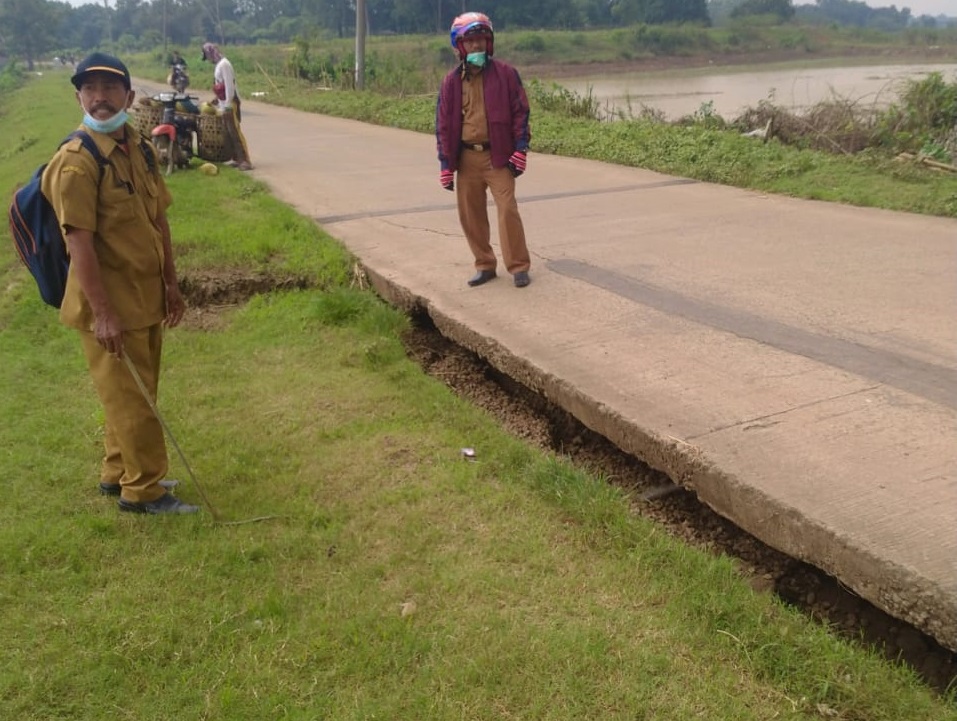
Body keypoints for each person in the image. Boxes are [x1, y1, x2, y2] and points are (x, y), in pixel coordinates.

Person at [41, 52, 196, 515]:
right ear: (79, 97)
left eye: (110, 89)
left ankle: (117, 472)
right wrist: (104, 314)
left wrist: (172, 283)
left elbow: (158, 220)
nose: (100, 98)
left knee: (130, 391)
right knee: (135, 400)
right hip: (108, 305)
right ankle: (143, 491)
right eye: (91, 89)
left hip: (145, 294)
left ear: (128, 96)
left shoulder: (142, 147)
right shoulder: (76, 163)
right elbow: (80, 245)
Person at [435, 11, 532, 288]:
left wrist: (521, 150)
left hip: (498, 156)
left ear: (489, 42)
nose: (476, 46)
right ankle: (485, 264)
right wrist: (445, 164)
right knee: (471, 215)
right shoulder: (450, 82)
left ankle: (519, 266)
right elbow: (443, 125)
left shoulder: (506, 75)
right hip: (466, 158)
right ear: (459, 46)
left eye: (481, 39)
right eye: (470, 41)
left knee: (507, 210)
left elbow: (520, 113)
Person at [201, 42, 252, 171]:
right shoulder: (218, 65)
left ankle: (245, 160)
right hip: (224, 104)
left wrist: (228, 103)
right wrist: (217, 100)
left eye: (207, 57)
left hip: (230, 103)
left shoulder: (224, 65)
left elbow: (229, 85)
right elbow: (220, 85)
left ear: (211, 53)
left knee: (235, 132)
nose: (208, 60)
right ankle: (236, 158)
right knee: (228, 133)